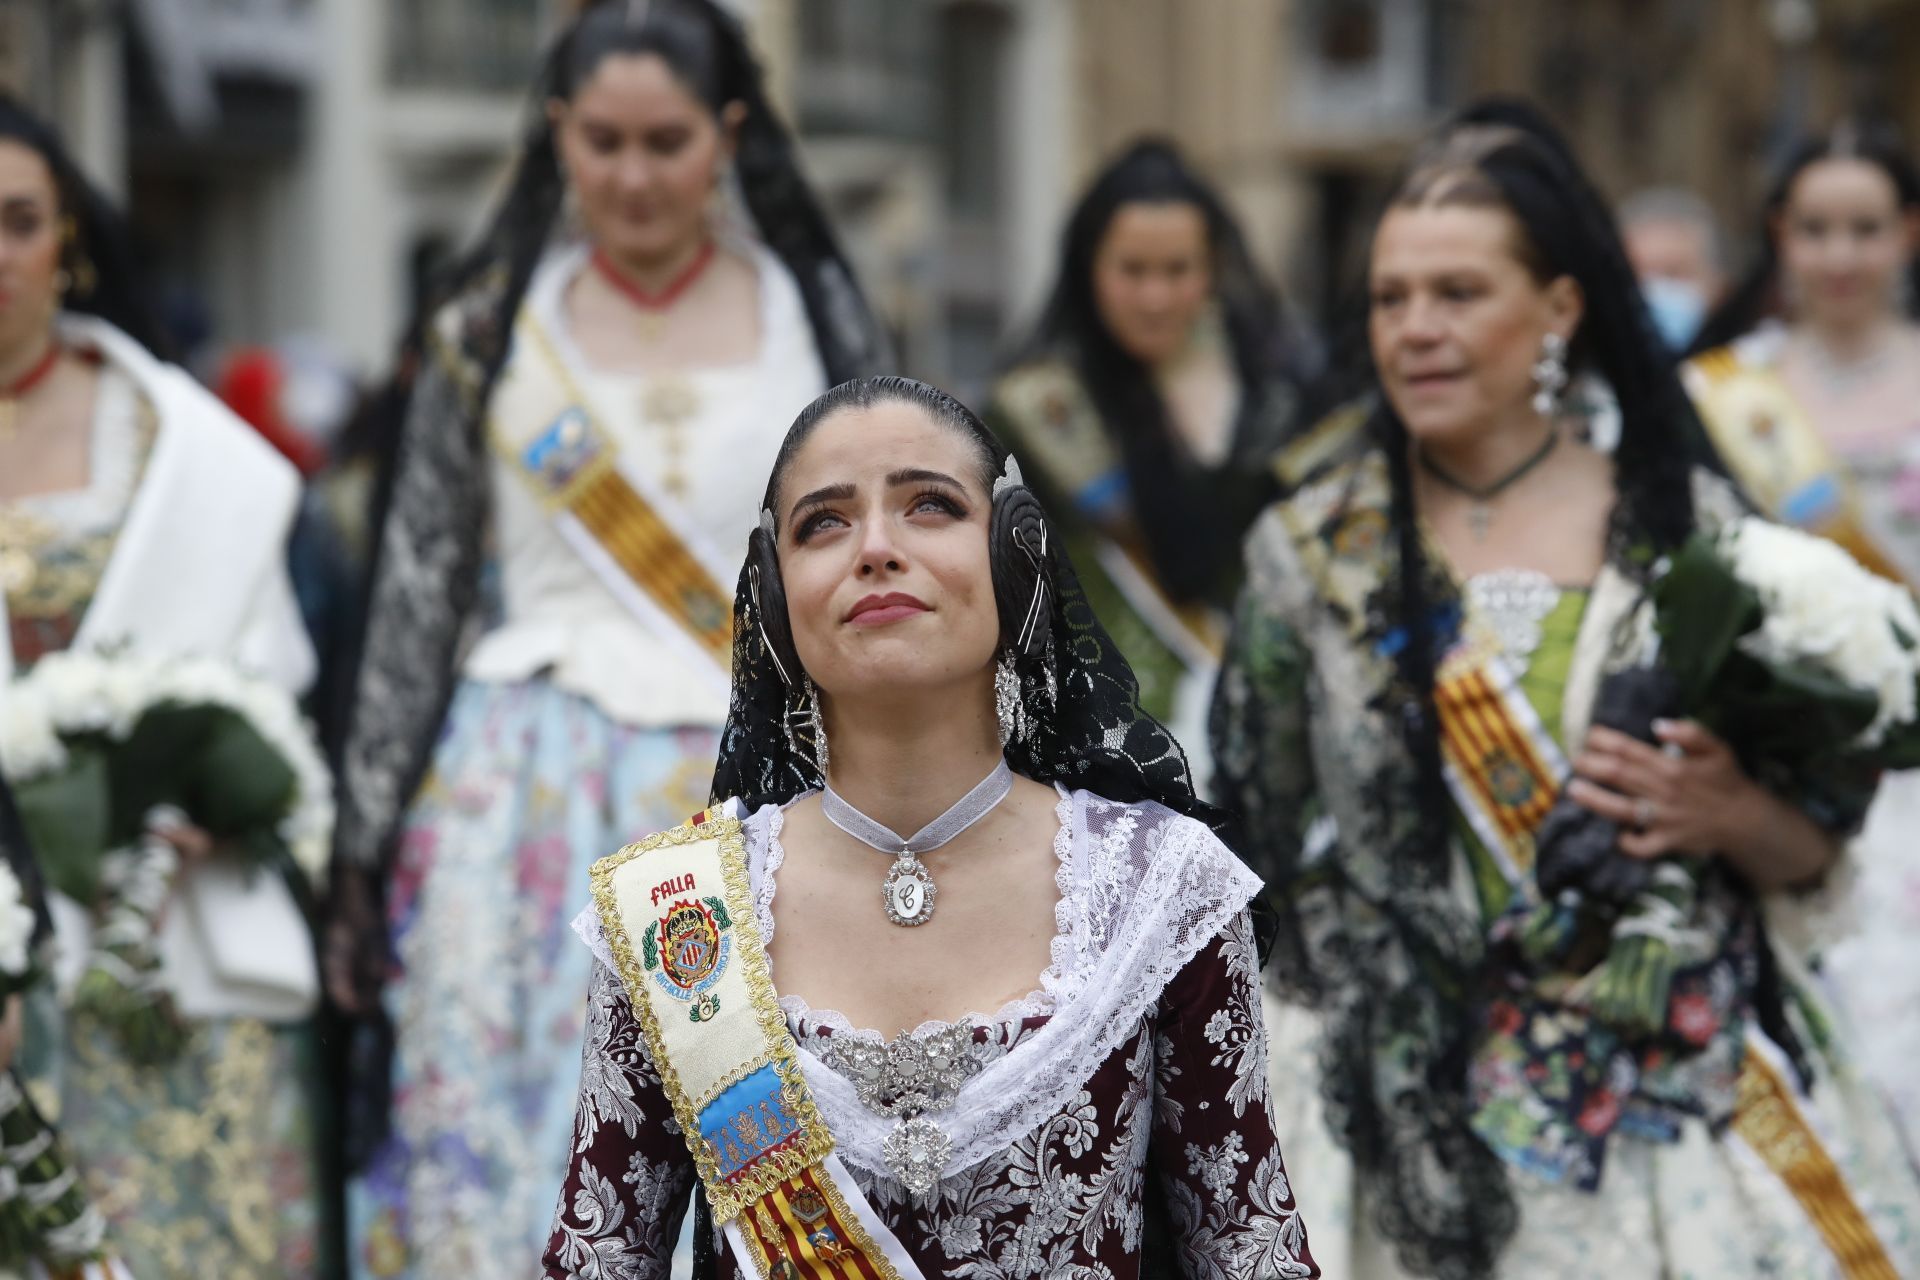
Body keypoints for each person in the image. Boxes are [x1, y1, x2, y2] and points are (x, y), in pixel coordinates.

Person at [1211, 115, 1920, 1276]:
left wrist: (1730, 810)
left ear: (1558, 307)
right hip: (1395, 1126)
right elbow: (1249, 847)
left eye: (1457, 291)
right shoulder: (1310, 549)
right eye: (1391, 299)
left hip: (1658, 1122)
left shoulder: (1690, 533)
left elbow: (1811, 842)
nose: (1416, 329)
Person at [327, 2, 888, 1274]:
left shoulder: (819, 318)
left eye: (667, 141)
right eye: (605, 142)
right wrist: (361, 847)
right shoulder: (487, 329)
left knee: (768, 1146)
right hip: (522, 796)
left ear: (728, 137)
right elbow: (415, 593)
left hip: (759, 790)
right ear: (557, 136)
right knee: (510, 1128)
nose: (633, 175)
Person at [540, 375, 1317, 1279]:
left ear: (1012, 551)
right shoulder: (675, 919)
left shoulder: (1162, 892)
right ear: (774, 588)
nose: (876, 547)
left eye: (930, 507)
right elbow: (597, 1260)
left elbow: (1252, 1252)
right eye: (823, 523)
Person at [0, 95, 323, 1277]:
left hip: (163, 925)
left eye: (18, 220)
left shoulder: (190, 452)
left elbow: (267, 672)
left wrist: (215, 797)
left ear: (66, 238)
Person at [1685, 122, 1920, 1163]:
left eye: (1865, 228)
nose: (1841, 254)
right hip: (1795, 754)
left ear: (1907, 233)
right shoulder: (1724, 392)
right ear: (1781, 233)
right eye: (1817, 228)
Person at [983, 140, 1313, 782]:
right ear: (1089, 268)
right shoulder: (1039, 409)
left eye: (1177, 270)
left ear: (1212, 268)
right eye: (1132, 270)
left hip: (1261, 724)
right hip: (1096, 741)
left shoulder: (1272, 398)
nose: (1155, 297)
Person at [1619, 186, 1728, 352]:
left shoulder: (1756, 371)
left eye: (1673, 273)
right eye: (1636, 276)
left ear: (1719, 286)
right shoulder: (1580, 375)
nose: (1652, 289)